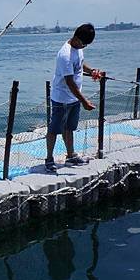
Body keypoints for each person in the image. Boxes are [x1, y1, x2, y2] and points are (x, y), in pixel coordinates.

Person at [46, 23, 102, 172]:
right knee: (54, 129)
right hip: (62, 98)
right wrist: (84, 101)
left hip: (74, 99)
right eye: (83, 44)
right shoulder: (65, 54)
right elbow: (69, 82)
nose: (84, 47)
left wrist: (93, 71)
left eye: (86, 45)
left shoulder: (78, 49)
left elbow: (81, 64)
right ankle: (49, 159)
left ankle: (70, 155)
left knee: (69, 128)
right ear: (76, 38)